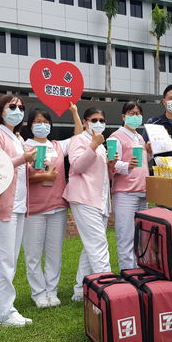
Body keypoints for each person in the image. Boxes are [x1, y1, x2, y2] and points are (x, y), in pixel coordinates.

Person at [0, 95, 36, 327]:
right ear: (0, 110)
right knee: (4, 261)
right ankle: (6, 312)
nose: (17, 111)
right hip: (3, 205)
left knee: (8, 259)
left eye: (21, 108)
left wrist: (31, 163)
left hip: (18, 204)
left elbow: (19, 168)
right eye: (12, 107)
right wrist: (21, 158)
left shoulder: (17, 136)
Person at [22, 103, 82, 308]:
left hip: (57, 206)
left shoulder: (57, 145)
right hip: (34, 209)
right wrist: (41, 177)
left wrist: (74, 112)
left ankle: (52, 291)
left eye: (46, 122)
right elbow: (18, 176)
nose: (42, 125)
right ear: (30, 125)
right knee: (33, 254)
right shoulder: (23, 147)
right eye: (38, 122)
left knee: (54, 252)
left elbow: (78, 137)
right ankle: (38, 293)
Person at [63, 108, 117, 302]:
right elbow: (77, 166)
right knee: (99, 245)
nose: (98, 123)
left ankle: (80, 290)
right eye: (94, 119)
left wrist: (111, 166)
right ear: (85, 121)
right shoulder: (79, 139)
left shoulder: (101, 144)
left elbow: (101, 175)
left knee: (91, 246)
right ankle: (110, 292)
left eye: (102, 119)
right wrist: (92, 146)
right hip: (85, 198)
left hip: (100, 200)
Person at [109, 102, 149, 271]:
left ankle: (139, 270)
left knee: (141, 236)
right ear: (123, 116)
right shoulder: (116, 137)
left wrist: (149, 151)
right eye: (131, 113)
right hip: (125, 193)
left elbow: (144, 163)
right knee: (125, 236)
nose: (135, 116)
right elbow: (112, 163)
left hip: (143, 191)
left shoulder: (139, 137)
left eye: (138, 113)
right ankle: (128, 273)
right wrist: (127, 166)